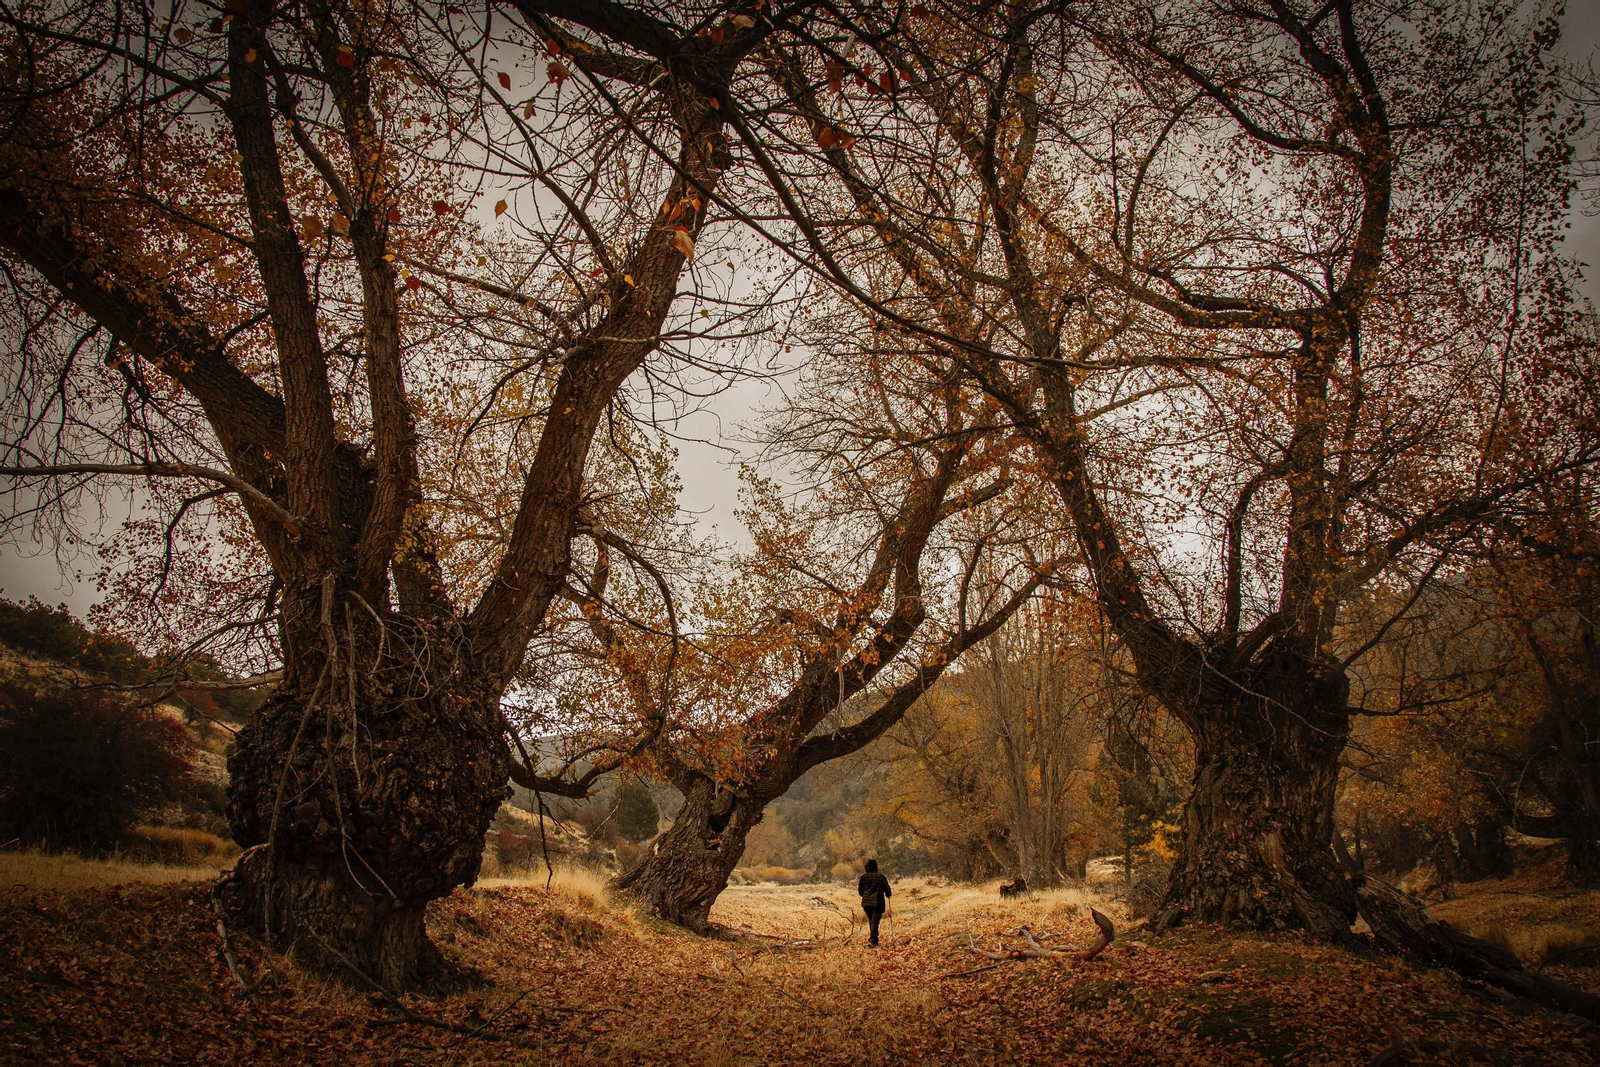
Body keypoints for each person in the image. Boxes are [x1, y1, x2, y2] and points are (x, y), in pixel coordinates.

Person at [857, 858, 891, 948]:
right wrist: (888, 894)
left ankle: (873, 939)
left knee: (871, 921)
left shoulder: (863, 877)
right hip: (877, 903)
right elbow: (887, 889)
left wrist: (866, 894)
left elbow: (860, 891)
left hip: (866, 904)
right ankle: (873, 940)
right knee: (875, 922)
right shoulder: (881, 877)